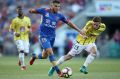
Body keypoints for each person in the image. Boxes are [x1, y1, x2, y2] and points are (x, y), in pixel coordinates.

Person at [29, 0, 84, 77]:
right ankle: (59, 72)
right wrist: (31, 11)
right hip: (43, 36)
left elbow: (69, 23)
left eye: (59, 6)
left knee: (45, 56)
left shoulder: (60, 15)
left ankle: (34, 56)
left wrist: (79, 30)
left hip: (52, 37)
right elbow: (34, 11)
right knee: (51, 53)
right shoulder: (44, 11)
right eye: (56, 6)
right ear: (51, 6)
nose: (57, 8)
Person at [9, 6, 31, 70]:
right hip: (18, 38)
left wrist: (30, 32)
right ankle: (23, 66)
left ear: (23, 10)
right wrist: (15, 33)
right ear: (17, 11)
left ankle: (20, 59)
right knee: (21, 50)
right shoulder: (14, 20)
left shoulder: (28, 19)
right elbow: (10, 29)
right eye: (18, 10)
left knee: (26, 52)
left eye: (21, 10)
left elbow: (29, 28)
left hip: (26, 38)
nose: (20, 11)